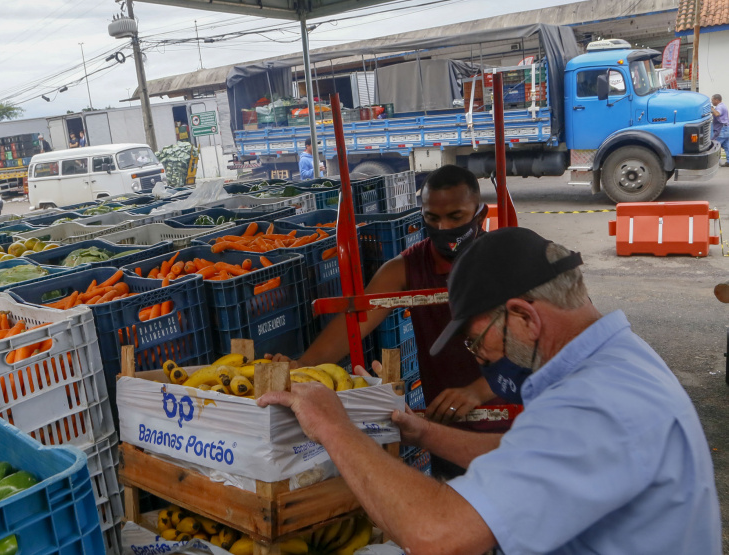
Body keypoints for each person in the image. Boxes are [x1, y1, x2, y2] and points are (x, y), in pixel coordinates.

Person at [259, 227, 721, 554]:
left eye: (478, 341)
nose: (478, 359)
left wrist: (333, 426)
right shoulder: (616, 362)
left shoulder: (596, 403)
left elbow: (438, 537)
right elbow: (533, 452)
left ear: (524, 316)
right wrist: (424, 433)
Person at [269, 166, 501, 436]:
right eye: (432, 218)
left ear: (480, 214)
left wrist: (479, 390)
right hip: (444, 427)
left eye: (455, 217)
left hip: (508, 423)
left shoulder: (507, 259)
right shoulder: (408, 266)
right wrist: (300, 366)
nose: (443, 228)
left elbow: (545, 346)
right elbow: (354, 323)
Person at [711, 94, 729, 166]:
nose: (712, 102)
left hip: (721, 129)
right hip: (726, 128)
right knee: (727, 145)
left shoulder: (720, 107)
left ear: (716, 100)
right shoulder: (724, 105)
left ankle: (716, 162)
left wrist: (712, 109)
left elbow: (717, 114)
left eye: (712, 100)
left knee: (715, 145)